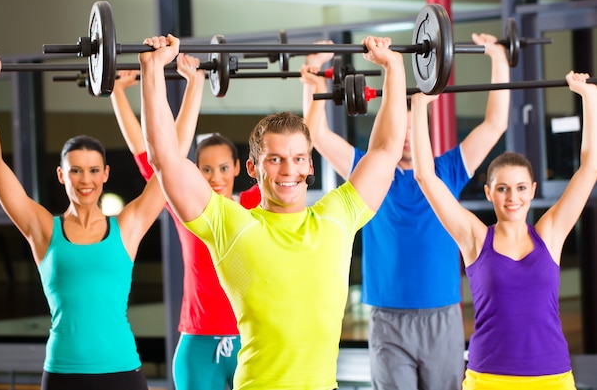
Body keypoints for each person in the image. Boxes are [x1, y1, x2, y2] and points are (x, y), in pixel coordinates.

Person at [137, 34, 407, 390]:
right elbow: (165, 158)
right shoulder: (232, 224)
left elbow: (387, 150)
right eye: (275, 159)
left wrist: (395, 67)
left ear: (310, 166)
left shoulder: (337, 217)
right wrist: (152, 68)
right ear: (252, 168)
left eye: (297, 159)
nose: (288, 170)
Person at [301, 33, 510, 390]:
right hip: (387, 317)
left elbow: (495, 125)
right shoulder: (368, 172)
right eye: (404, 128)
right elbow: (315, 135)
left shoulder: (447, 172)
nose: (409, 136)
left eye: (416, 128)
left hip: (441, 313)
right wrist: (316, 77)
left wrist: (498, 58)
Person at [0, 54, 167, 390]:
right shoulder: (44, 229)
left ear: (105, 174)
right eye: (75, 170)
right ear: (62, 175)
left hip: (123, 372)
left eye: (93, 170)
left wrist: (156, 72)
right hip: (64, 374)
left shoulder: (128, 226)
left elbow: (169, 161)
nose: (85, 180)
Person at [411, 71, 597, 390]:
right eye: (503, 188)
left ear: (533, 190)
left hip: (552, 377)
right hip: (488, 379)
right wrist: (419, 108)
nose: (513, 198)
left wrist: (588, 97)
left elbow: (590, 167)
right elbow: (426, 177)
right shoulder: (475, 238)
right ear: (488, 192)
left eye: (521, 188)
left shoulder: (550, 233)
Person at [110, 57, 260, 390]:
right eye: (205, 169)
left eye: (223, 168)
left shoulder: (252, 205)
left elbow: (284, 169)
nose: (215, 177)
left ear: (239, 167)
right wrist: (117, 91)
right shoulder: (186, 209)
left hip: (249, 341)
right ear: (195, 170)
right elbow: (149, 153)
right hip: (197, 341)